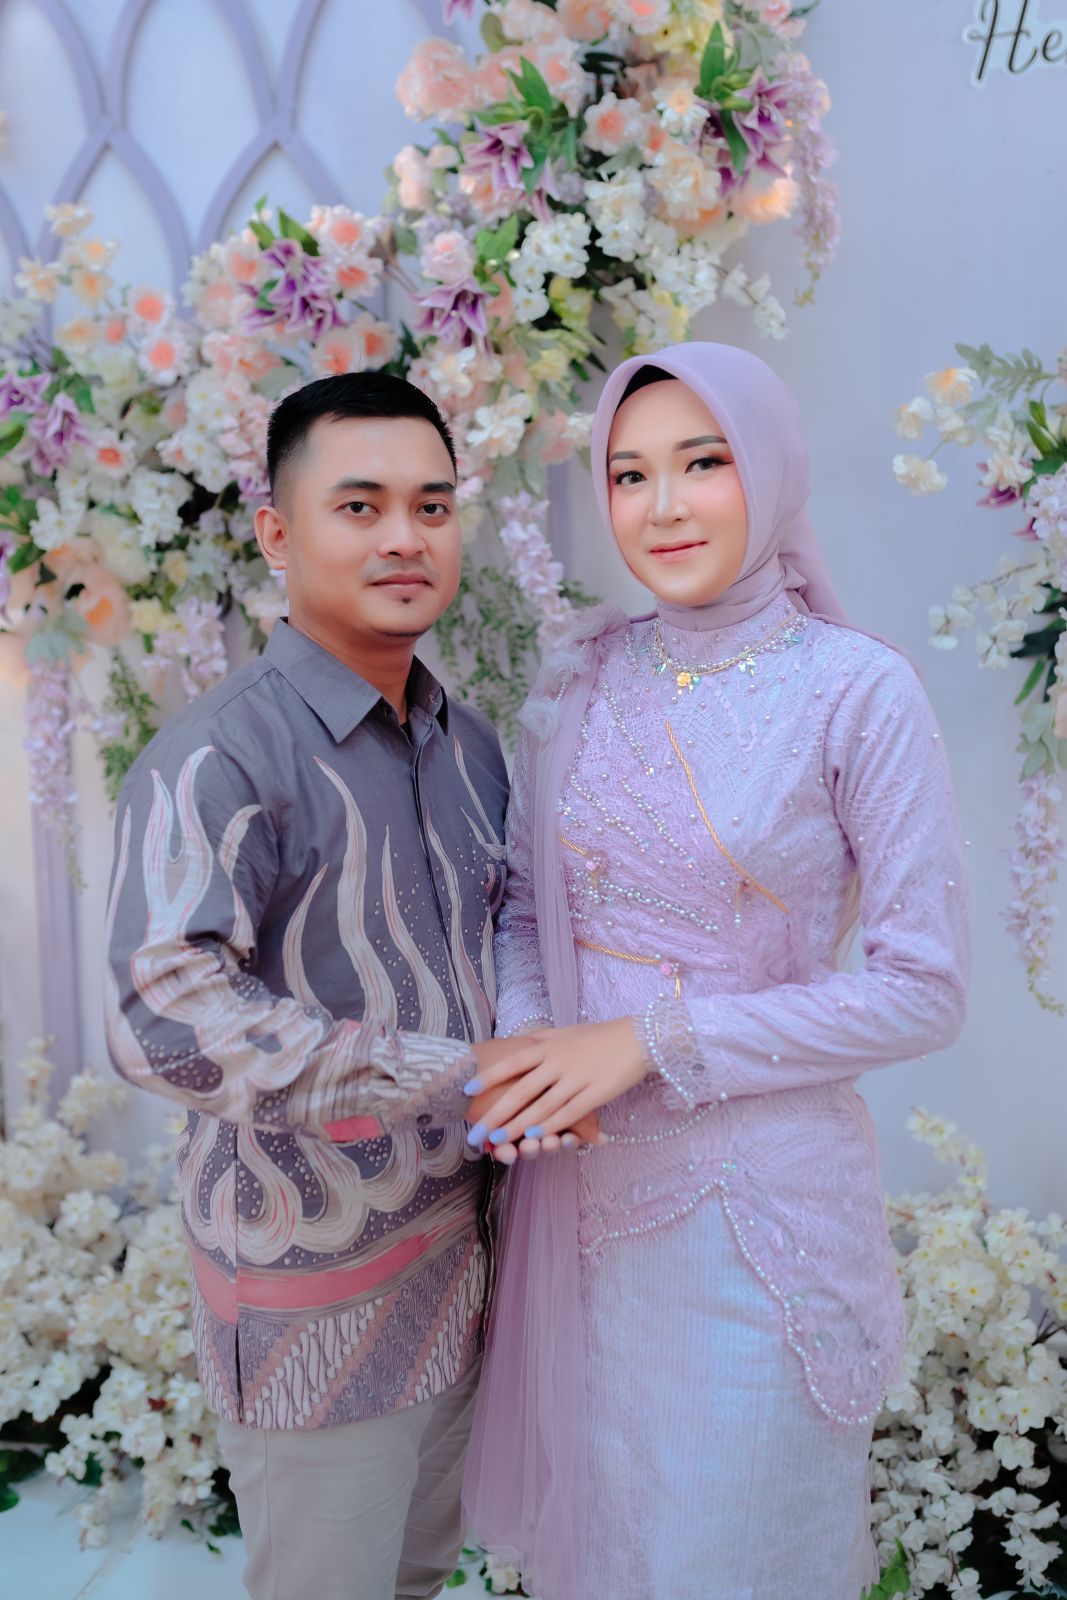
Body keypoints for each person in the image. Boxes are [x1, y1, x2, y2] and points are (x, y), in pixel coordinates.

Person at [461, 343, 971, 1599]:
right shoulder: (581, 672)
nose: (663, 506)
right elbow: (524, 902)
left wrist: (646, 1041)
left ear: (771, 470)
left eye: (703, 462)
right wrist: (537, 1061)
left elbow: (921, 988)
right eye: (628, 474)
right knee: (608, 1553)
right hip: (587, 1214)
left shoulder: (854, 690)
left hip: (759, 1220)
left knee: (729, 1555)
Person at [103, 372, 569, 1600]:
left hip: (463, 1273)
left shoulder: (467, 745)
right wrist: (442, 1070)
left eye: (431, 506)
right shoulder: (218, 755)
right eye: (359, 506)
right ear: (278, 530)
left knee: (417, 1577)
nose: (402, 537)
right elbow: (158, 1013)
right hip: (311, 1299)